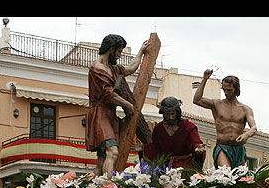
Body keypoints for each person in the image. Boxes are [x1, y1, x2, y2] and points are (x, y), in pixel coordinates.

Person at [86, 34, 150, 175]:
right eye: (119, 51)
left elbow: (131, 68)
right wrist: (127, 105)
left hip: (110, 114)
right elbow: (108, 94)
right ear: (111, 48)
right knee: (113, 152)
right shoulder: (97, 68)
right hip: (100, 114)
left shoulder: (113, 68)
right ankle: (108, 187)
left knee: (102, 159)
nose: (120, 55)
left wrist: (141, 51)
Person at [193, 70, 257, 169]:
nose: (226, 93)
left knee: (241, 179)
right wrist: (205, 79)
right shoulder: (217, 104)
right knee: (225, 175)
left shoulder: (245, 109)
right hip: (223, 146)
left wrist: (246, 134)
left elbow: (253, 128)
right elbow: (196, 100)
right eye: (224, 89)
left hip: (238, 148)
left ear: (236, 89)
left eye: (229, 90)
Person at [135, 96, 205, 169]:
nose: (170, 117)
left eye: (173, 113)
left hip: (185, 167)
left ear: (177, 112)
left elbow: (195, 143)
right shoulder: (159, 129)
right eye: (167, 114)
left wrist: (197, 148)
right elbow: (155, 149)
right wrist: (143, 148)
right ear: (163, 113)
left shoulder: (189, 127)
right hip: (164, 167)